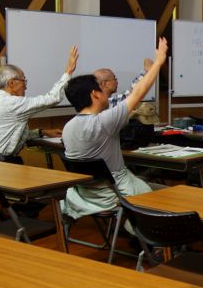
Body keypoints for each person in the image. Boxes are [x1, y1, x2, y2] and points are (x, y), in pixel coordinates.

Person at [60, 38, 168, 221]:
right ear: (95, 94)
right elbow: (138, 92)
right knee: (168, 195)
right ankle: (146, 238)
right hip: (115, 194)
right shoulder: (104, 122)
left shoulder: (67, 128)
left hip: (87, 196)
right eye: (100, 89)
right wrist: (158, 62)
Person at [0, 46, 79, 162]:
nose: (26, 86)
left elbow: (8, 134)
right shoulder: (12, 103)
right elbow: (53, 98)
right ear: (11, 83)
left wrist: (42, 132)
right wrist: (68, 71)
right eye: (23, 81)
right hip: (0, 165)